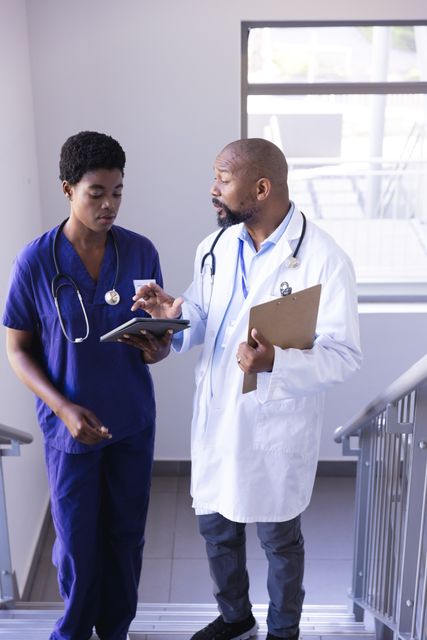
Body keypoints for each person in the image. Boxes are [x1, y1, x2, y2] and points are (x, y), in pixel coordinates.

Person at [132, 138, 362, 640]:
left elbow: (344, 355)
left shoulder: (324, 259)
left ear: (261, 187)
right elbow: (204, 319)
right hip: (217, 420)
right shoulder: (215, 246)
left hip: (272, 428)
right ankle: (236, 617)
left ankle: (284, 630)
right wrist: (173, 315)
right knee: (216, 530)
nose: (213, 189)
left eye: (223, 179)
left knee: (279, 538)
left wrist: (275, 362)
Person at [2, 131, 172, 640]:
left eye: (117, 191)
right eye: (95, 192)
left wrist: (159, 348)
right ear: (67, 189)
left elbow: (156, 335)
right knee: (76, 542)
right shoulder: (36, 262)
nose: (109, 204)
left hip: (131, 421)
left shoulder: (140, 251)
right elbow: (18, 350)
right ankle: (74, 631)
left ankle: (116, 629)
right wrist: (63, 408)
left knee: (126, 537)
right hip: (68, 430)